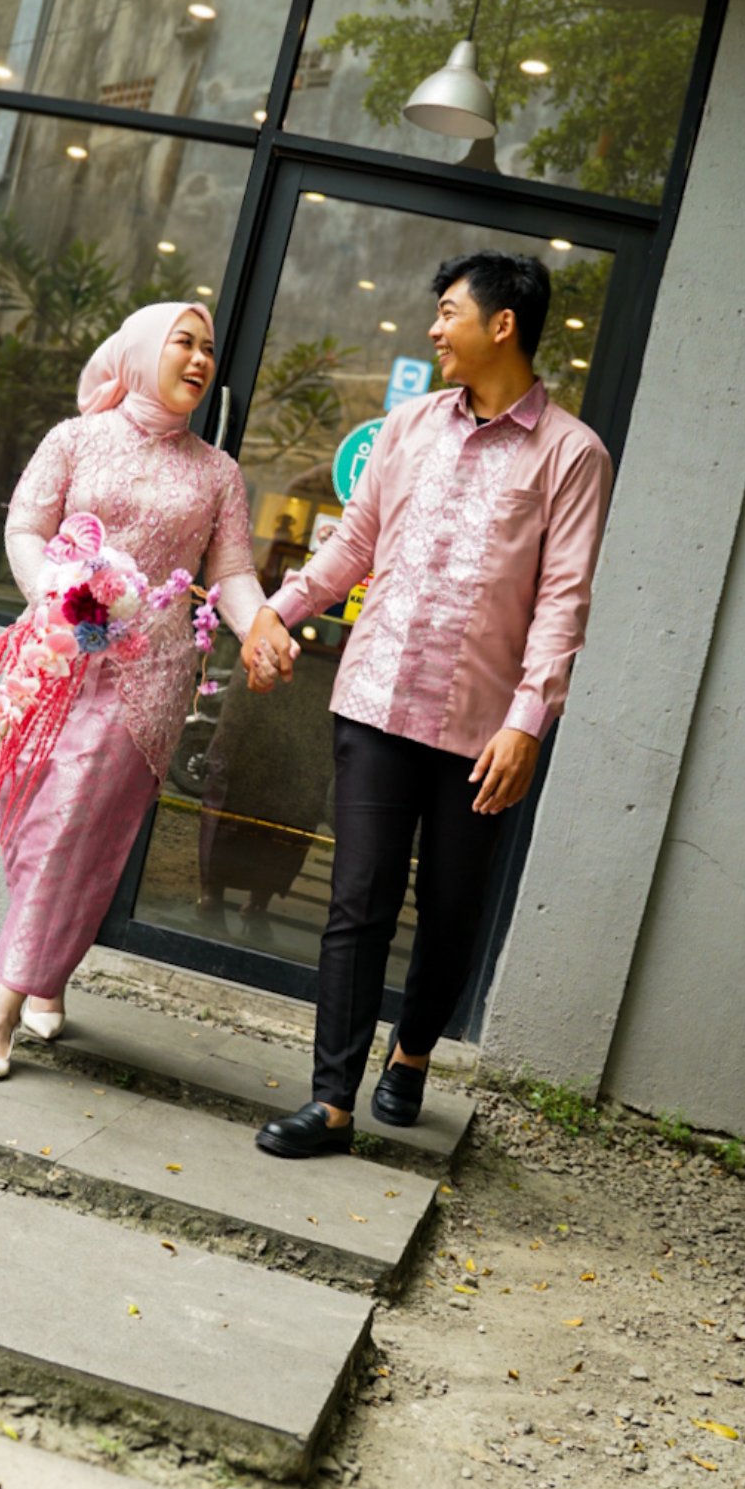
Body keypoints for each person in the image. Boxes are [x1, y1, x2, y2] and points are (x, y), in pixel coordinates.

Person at [241, 251, 613, 1158]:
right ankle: (331, 1103)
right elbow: (352, 546)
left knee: (449, 909)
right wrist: (275, 612)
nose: (434, 329)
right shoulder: (407, 425)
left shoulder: (571, 454)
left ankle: (410, 1054)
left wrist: (528, 722)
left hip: (483, 729)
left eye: (448, 312)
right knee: (357, 899)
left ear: (501, 324)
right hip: (374, 701)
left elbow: (563, 600)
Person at [0, 300, 282, 1083]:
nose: (200, 359)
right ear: (139, 351)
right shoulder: (74, 439)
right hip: (54, 657)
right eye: (184, 343)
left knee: (73, 824)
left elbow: (231, 573)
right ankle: (49, 971)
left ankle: (1, 1006)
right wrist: (56, 594)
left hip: (148, 678)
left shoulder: (217, 473)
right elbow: (25, 528)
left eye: (208, 349)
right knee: (32, 823)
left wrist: (260, 626)